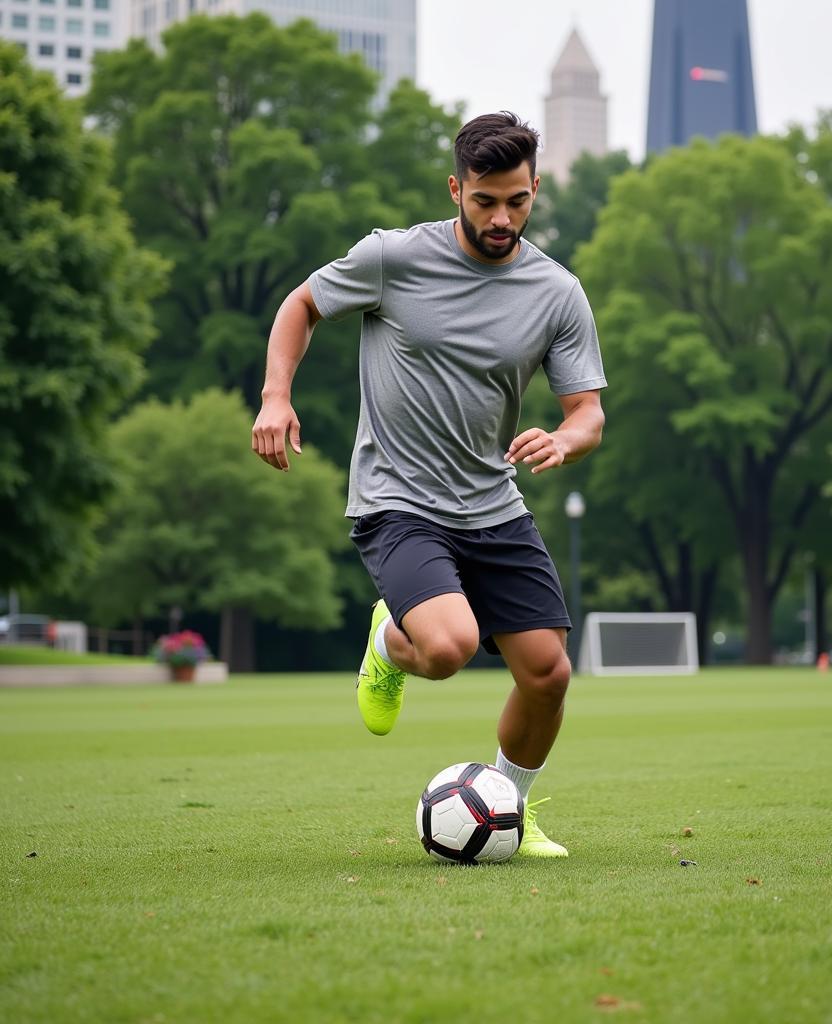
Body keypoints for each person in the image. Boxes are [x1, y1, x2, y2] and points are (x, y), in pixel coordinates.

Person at [251, 111, 606, 857]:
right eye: (485, 201)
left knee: (547, 674)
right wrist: (276, 395)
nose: (502, 217)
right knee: (447, 648)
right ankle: (389, 639)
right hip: (398, 500)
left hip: (494, 504)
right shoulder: (392, 258)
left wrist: (564, 439)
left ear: (535, 189)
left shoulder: (558, 292)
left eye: (518, 200)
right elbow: (301, 305)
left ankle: (512, 805)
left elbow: (588, 415)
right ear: (456, 190)